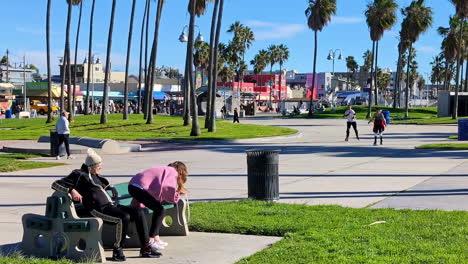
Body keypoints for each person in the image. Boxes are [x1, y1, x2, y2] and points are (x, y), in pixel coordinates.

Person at [51, 149, 161, 261]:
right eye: (98, 165)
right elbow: (55, 184)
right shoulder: (78, 174)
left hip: (111, 206)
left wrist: (109, 188)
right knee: (123, 217)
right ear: (91, 166)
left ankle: (146, 247)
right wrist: (72, 190)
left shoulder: (96, 176)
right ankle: (118, 250)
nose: (101, 167)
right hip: (98, 209)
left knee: (139, 212)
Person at [128, 162, 188, 251]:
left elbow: (157, 187)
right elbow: (167, 187)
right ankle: (151, 240)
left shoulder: (165, 170)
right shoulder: (173, 172)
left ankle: (156, 238)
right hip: (138, 188)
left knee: (158, 209)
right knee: (160, 210)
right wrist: (177, 196)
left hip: (134, 186)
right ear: (180, 171)